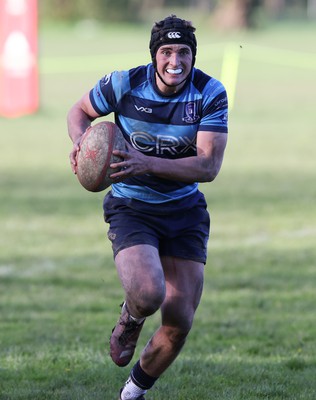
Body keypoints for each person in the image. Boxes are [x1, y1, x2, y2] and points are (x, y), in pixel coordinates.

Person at [67, 14, 228, 400]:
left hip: (184, 210)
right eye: (167, 51)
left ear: (193, 55)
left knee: (179, 322)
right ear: (154, 54)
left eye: (184, 52)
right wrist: (81, 143)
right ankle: (132, 315)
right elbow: (80, 112)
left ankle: (132, 394)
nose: (176, 61)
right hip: (132, 206)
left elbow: (207, 166)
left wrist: (146, 162)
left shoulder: (209, 93)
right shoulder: (122, 83)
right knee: (148, 292)